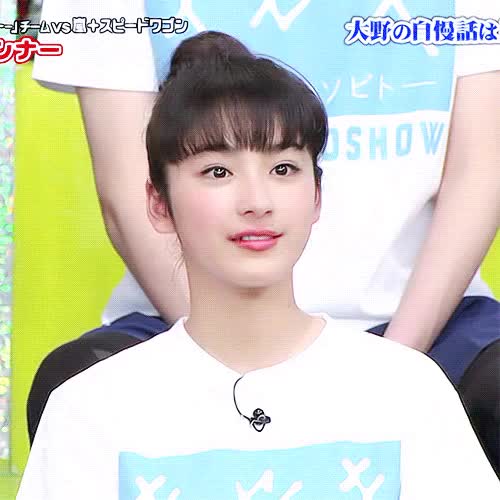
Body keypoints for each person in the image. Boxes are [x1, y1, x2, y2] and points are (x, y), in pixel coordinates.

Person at [17, 31, 500, 499]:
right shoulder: (90, 408)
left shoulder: (410, 390)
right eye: (218, 171)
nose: (257, 201)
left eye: (283, 169)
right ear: (159, 203)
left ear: (316, 195)